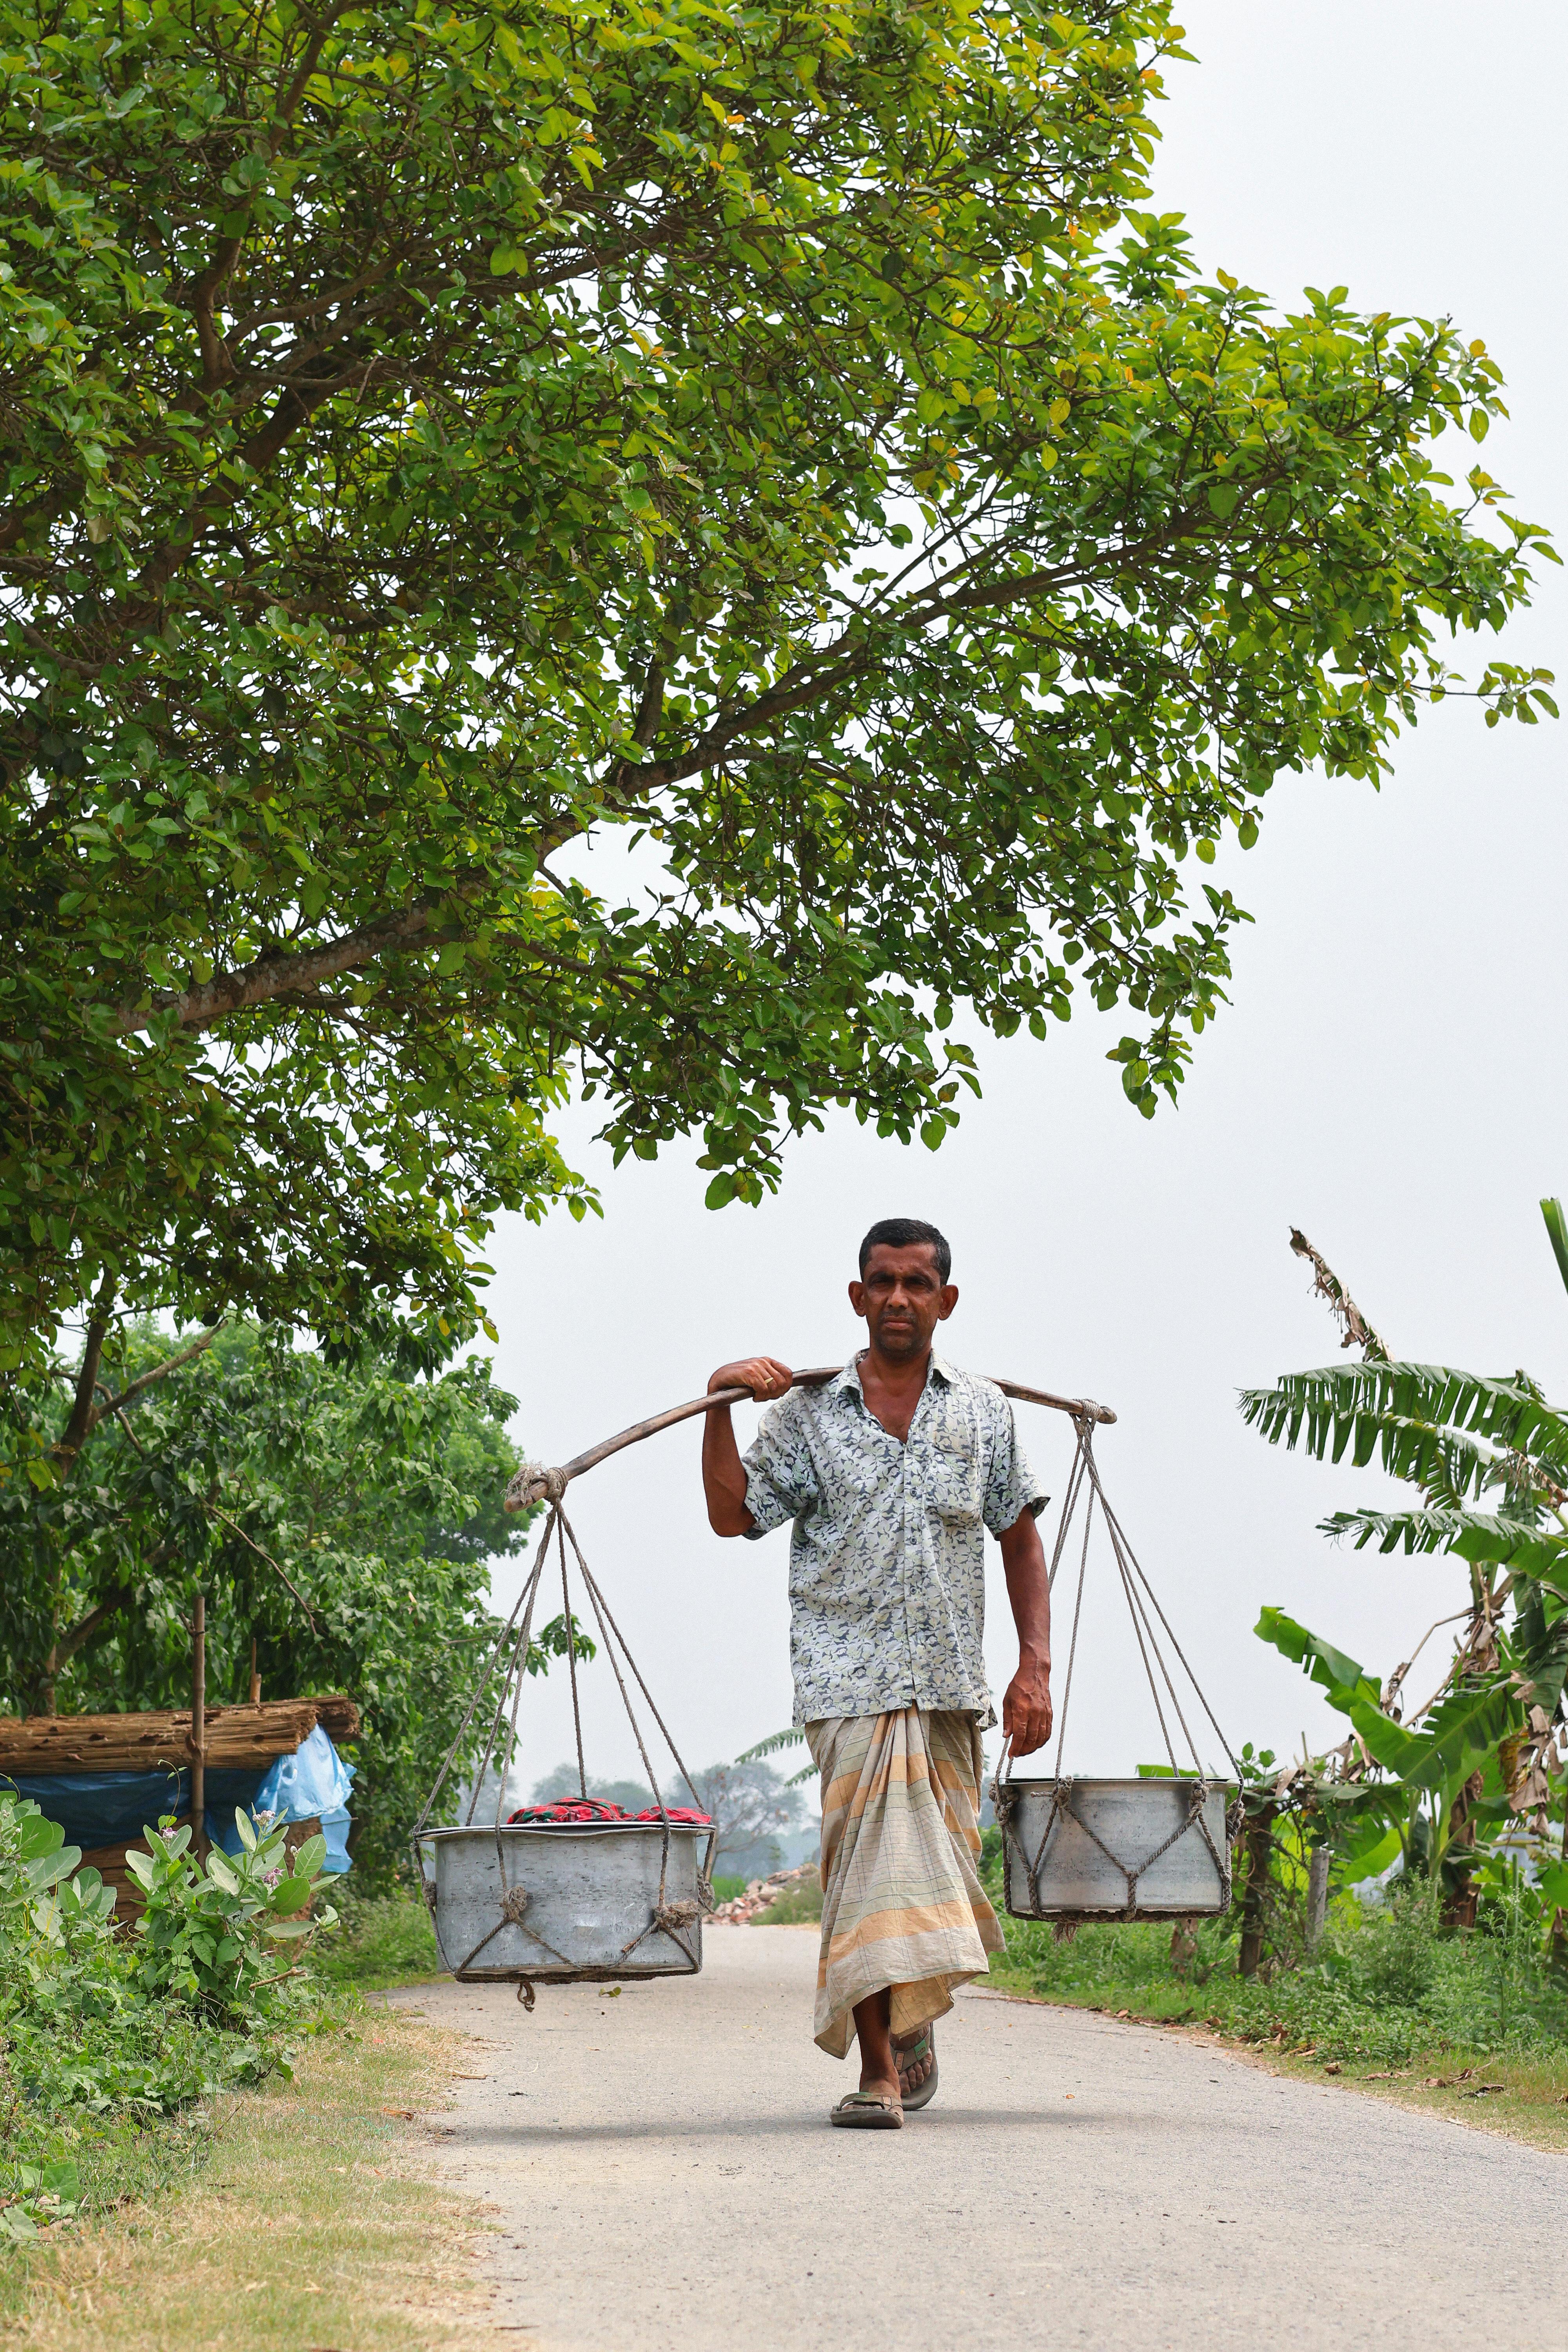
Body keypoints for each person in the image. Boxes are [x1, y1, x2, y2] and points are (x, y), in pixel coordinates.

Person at [701, 1216, 1053, 2129]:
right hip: (844, 1687)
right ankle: (878, 2073)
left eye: (916, 1283)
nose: (898, 1298)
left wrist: (1033, 1668)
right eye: (882, 1283)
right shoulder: (809, 1414)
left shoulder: (980, 1411)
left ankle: (909, 2021)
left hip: (945, 1689)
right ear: (857, 1299)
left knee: (931, 1876)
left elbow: (1017, 1535)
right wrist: (717, 1405)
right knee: (864, 1879)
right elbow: (732, 1518)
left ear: (945, 1299)